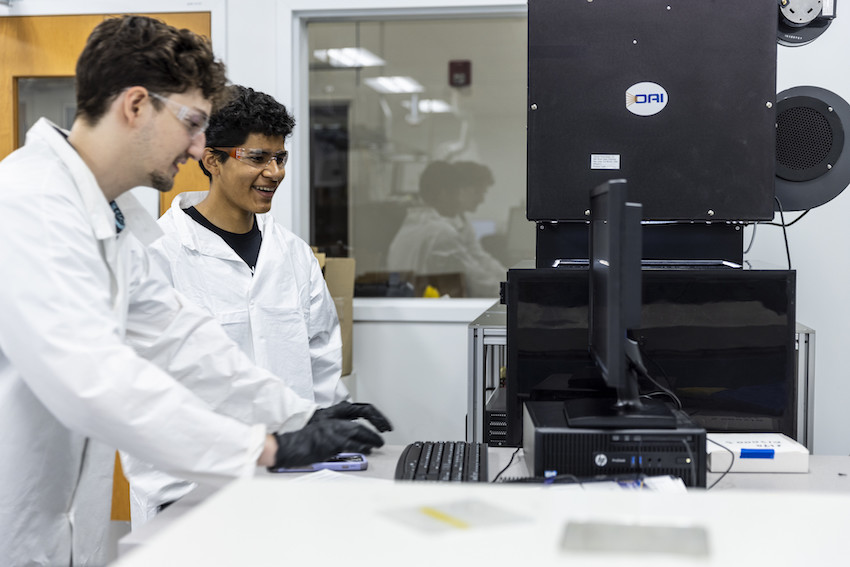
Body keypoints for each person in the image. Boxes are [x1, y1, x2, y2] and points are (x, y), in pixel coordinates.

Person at [0, 16, 389, 566]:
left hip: (65, 521)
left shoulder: (112, 220)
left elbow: (181, 342)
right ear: (136, 106)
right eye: (191, 122)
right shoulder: (30, 206)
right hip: (17, 519)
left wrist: (299, 417)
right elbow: (95, 379)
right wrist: (266, 447)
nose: (200, 145)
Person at [124, 85, 351, 526]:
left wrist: (328, 433)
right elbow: (144, 390)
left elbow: (321, 361)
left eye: (280, 158)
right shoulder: (160, 254)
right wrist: (172, 497)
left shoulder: (292, 254)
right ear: (212, 160)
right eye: (257, 157)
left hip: (294, 482)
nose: (274, 172)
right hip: (194, 494)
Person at [387, 160, 506, 297]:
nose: (459, 200)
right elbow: (476, 281)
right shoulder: (440, 232)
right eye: (457, 194)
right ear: (444, 194)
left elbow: (476, 262)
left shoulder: (410, 225)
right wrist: (513, 291)